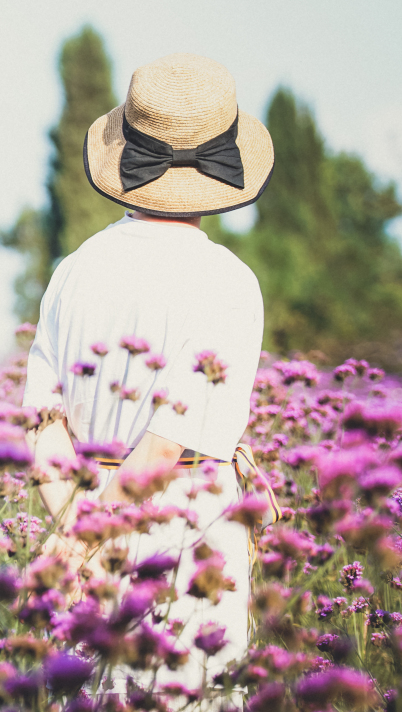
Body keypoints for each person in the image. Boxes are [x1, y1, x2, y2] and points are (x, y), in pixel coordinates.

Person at [20, 53, 274, 696]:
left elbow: (41, 422)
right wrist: (88, 543)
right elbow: (166, 443)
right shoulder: (229, 284)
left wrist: (76, 537)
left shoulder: (72, 270)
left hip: (81, 523)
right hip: (188, 544)